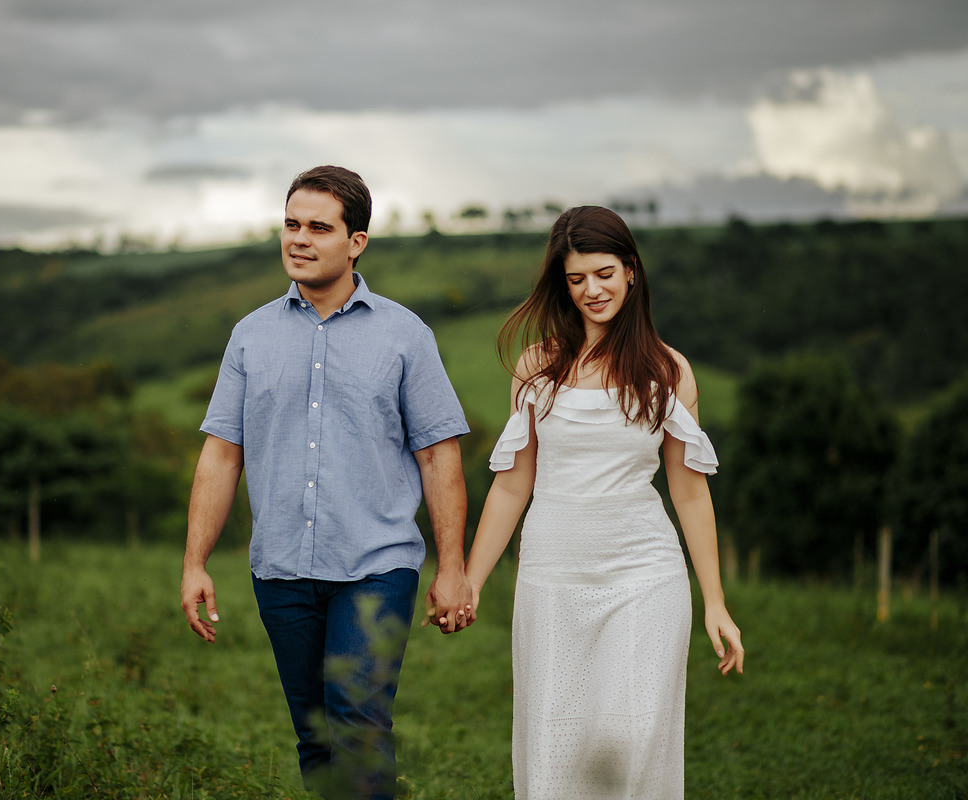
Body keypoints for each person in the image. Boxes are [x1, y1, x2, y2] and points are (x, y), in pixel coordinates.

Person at [180, 165, 474, 800]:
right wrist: (194, 562)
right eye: (291, 224)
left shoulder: (405, 335)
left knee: (357, 724)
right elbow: (220, 456)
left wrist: (452, 567)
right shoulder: (250, 336)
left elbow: (439, 456)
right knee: (314, 735)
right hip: (280, 569)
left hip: (377, 564)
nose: (300, 239)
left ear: (356, 241)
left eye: (319, 227)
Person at [463, 205, 744, 798]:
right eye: (576, 279)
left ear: (632, 271)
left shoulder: (669, 371)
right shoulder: (537, 367)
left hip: (645, 573)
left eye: (604, 273)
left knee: (626, 733)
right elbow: (513, 485)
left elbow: (690, 492)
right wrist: (471, 581)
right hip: (553, 574)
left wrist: (715, 601)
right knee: (561, 746)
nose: (592, 290)